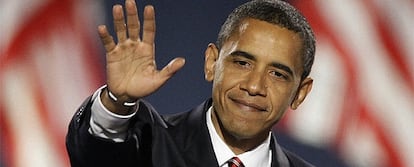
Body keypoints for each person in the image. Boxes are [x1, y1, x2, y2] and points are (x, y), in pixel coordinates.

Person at [66, 0, 316, 166]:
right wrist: (117, 102)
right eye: (242, 63)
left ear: (300, 94)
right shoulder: (148, 145)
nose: (254, 86)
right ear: (211, 63)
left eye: (277, 74)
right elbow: (96, 155)